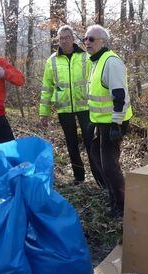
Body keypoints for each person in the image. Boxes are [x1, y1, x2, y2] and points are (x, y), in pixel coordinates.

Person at [39, 25, 104, 186]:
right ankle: (79, 177)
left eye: (67, 37)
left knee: (91, 144)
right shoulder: (52, 61)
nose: (64, 41)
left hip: (86, 108)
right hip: (64, 109)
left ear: (73, 39)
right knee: (71, 143)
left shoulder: (85, 57)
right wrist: (44, 112)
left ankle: (99, 178)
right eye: (61, 38)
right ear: (58, 40)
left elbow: (95, 80)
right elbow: (47, 88)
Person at [84, 25, 134, 217]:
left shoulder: (111, 62)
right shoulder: (95, 61)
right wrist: (94, 120)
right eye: (85, 39)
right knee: (96, 155)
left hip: (113, 122)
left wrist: (116, 123)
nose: (87, 42)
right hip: (102, 122)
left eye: (91, 39)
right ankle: (113, 196)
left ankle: (121, 205)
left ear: (102, 42)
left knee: (109, 164)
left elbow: (120, 95)